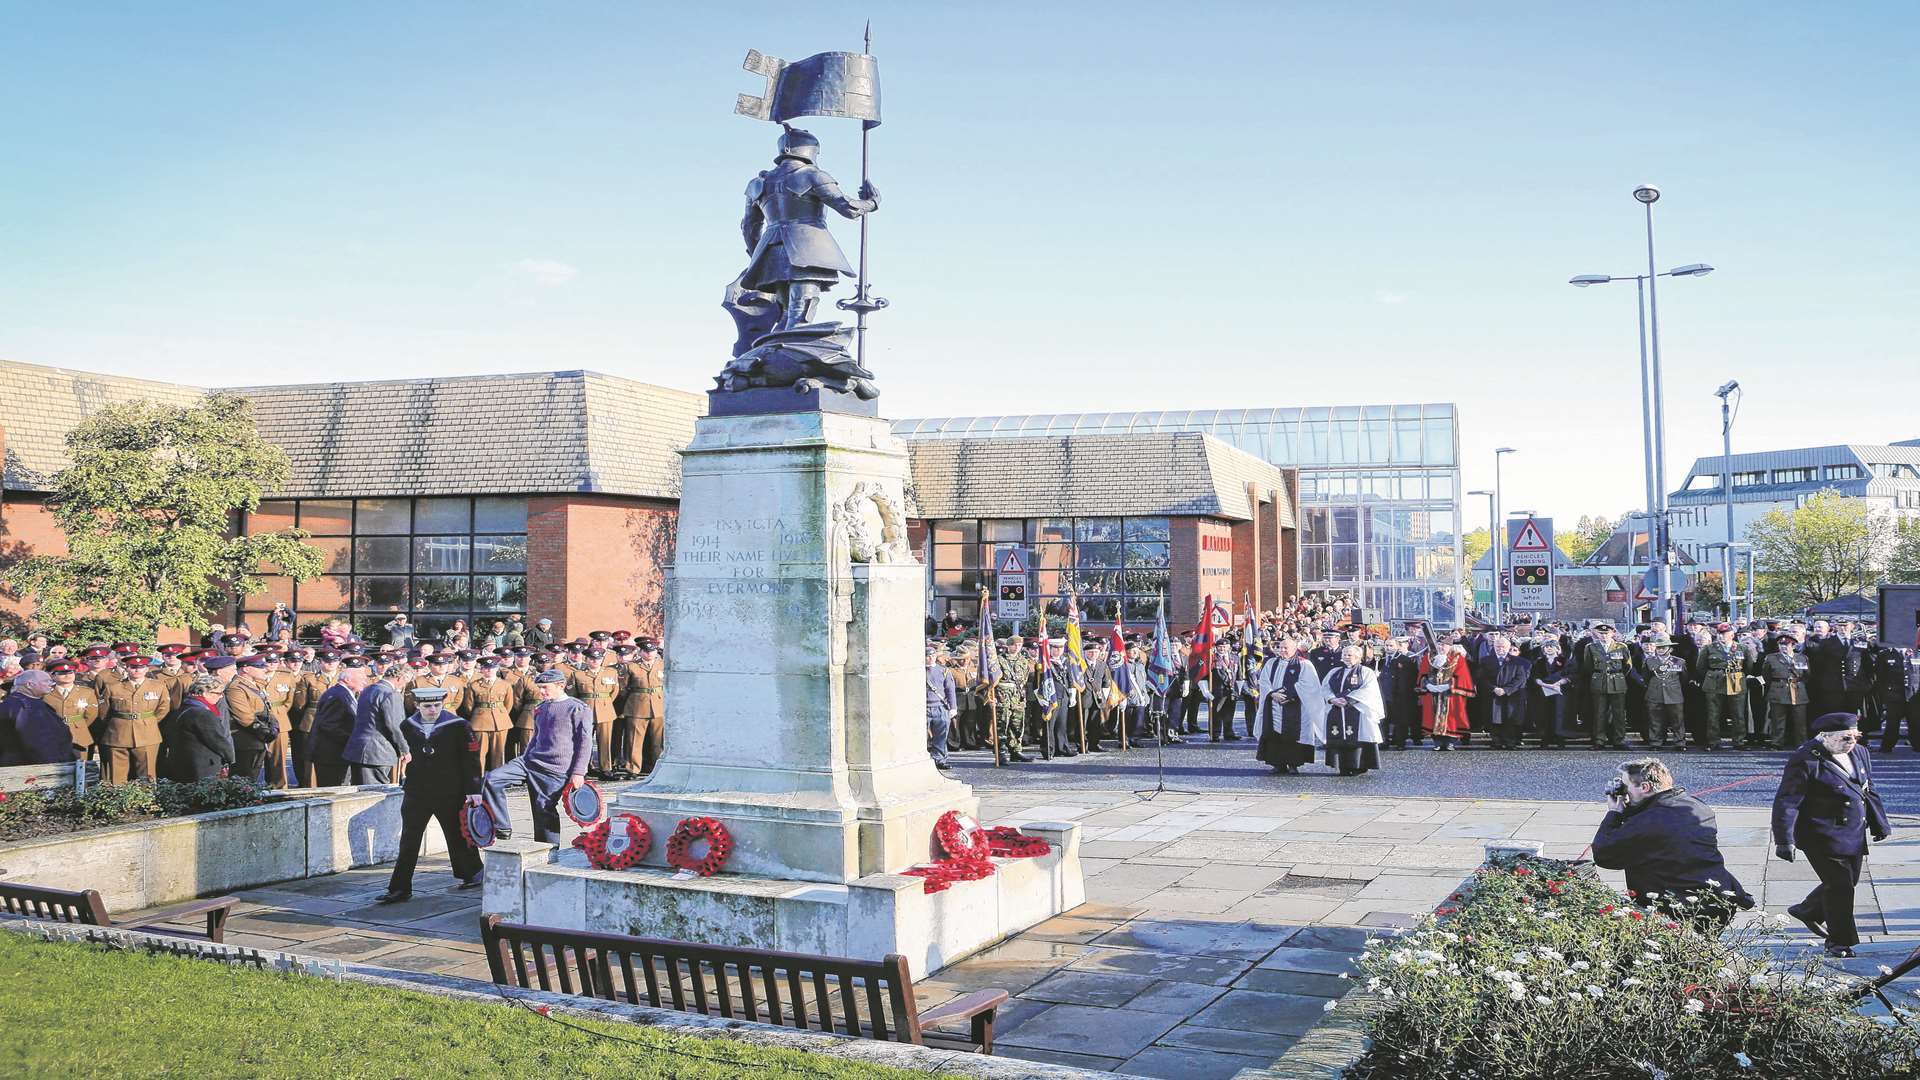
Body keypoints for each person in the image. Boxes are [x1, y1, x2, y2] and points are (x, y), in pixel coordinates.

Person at [1771, 713, 1892, 958]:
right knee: (1841, 887)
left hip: (1852, 833)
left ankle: (1808, 910)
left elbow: (1867, 790)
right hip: (1821, 834)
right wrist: (1784, 840)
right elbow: (1787, 801)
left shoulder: (1860, 753)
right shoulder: (1805, 760)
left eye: (1855, 736)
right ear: (1825, 737)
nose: (1852, 742)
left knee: (1849, 881)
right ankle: (1839, 942)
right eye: (1845, 738)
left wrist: (1880, 824)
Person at [1592, 757, 1754, 932]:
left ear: (1645, 787)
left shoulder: (1649, 821)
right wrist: (1631, 808)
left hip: (1678, 909)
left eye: (1626, 786)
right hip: (1718, 899)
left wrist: (1614, 813)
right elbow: (1655, 824)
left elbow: (1604, 855)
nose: (1623, 792)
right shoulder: (1696, 805)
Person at [376, 686, 483, 904]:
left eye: (437, 705)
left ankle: (472, 873)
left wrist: (474, 790)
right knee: (409, 840)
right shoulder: (408, 725)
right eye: (427, 706)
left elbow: (471, 760)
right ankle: (399, 888)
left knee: (457, 835)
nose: (433, 710)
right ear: (416, 705)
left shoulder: (459, 725)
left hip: (450, 792)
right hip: (417, 793)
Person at [476, 668, 592, 844]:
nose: (541, 691)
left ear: (560, 685)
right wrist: (525, 757)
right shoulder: (540, 708)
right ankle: (502, 826)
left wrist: (578, 772)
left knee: (543, 811)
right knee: (492, 779)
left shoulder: (577, 708)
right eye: (539, 687)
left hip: (555, 770)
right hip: (530, 762)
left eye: (545, 687)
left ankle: (548, 853)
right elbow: (535, 737)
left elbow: (585, 743)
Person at [1255, 637, 1325, 774]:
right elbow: (1264, 681)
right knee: (1274, 734)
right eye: (1280, 647)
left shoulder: (1304, 664)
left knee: (1293, 734)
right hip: (1274, 704)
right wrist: (1272, 694)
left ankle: (1294, 764)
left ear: (1294, 649)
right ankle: (1277, 763)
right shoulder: (1271, 663)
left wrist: (1289, 695)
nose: (1282, 650)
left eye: (1286, 648)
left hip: (1295, 706)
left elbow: (1310, 685)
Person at [98, 656, 169, 783]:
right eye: (133, 667)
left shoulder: (158, 686)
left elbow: (163, 709)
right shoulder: (113, 687)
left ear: (147, 669)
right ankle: (118, 800)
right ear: (127, 668)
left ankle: (147, 800)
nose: (137, 670)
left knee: (147, 774)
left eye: (141, 667)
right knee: (117, 775)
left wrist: (147, 722)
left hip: (147, 734)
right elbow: (104, 713)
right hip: (117, 734)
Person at [158, 674, 236, 781]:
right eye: (218, 693)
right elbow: (218, 741)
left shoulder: (183, 707)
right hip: (202, 768)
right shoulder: (203, 714)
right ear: (204, 693)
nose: (221, 696)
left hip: (181, 764)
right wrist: (230, 758)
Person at [344, 662, 412, 785]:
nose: (404, 686)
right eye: (405, 682)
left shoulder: (368, 689)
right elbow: (395, 727)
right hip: (377, 753)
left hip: (359, 749)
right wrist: (404, 750)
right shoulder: (391, 694)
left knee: (360, 793)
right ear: (400, 678)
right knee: (374, 795)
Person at [1321, 643, 1384, 776]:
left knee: (1358, 736)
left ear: (1358, 657)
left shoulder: (1366, 672)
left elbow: (1369, 690)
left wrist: (1349, 699)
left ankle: (1359, 766)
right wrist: (1332, 699)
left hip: (1358, 710)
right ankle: (1342, 766)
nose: (1346, 657)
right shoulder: (1334, 672)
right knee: (1338, 735)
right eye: (1344, 654)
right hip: (1337, 708)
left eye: (1350, 655)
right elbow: (1325, 687)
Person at [309, 658, 370, 786]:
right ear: (347, 679)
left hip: (336, 754)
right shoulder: (338, 696)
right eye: (361, 677)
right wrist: (353, 739)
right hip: (331, 756)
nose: (365, 681)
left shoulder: (344, 693)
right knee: (332, 792)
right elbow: (329, 726)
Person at [1696, 623, 1750, 751]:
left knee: (1738, 713)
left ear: (1732, 634)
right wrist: (1713, 675)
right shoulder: (1709, 648)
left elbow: (1748, 666)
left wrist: (1739, 676)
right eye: (1719, 634)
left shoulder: (1742, 648)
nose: (1721, 637)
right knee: (1713, 714)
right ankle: (1713, 741)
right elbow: (1701, 667)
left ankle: (1739, 741)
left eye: (1725, 634)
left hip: (1735, 681)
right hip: (1714, 681)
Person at [1579, 623, 1633, 750]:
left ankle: (1619, 740)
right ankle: (1599, 740)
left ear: (1613, 633)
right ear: (1597, 634)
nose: (1604, 636)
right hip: (1599, 681)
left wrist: (1617, 675)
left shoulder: (1621, 647)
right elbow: (1588, 665)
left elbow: (1628, 665)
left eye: (1607, 633)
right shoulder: (1591, 647)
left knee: (1618, 713)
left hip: (1617, 681)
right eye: (1601, 633)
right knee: (1599, 713)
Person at [0, 670, 71, 766]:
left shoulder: (33, 702)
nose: (52, 684)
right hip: (30, 769)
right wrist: (51, 766)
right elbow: (35, 741)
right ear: (29, 684)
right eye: (46, 681)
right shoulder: (21, 706)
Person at [617, 639, 666, 776]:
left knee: (658, 741)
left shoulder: (662, 665)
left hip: (658, 705)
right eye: (646, 651)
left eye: (652, 651)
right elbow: (623, 688)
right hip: (637, 706)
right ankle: (633, 768)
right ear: (640, 652)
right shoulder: (631, 666)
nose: (649, 654)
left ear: (656, 651)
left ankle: (656, 768)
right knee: (634, 740)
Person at [1419, 640, 1474, 751]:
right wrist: (1428, 685)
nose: (1441, 647)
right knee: (1433, 717)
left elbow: (1463, 676)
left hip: (1450, 695)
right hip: (1433, 694)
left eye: (1444, 645)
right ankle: (1437, 742)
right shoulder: (1429, 658)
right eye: (1439, 644)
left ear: (1450, 646)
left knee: (1451, 718)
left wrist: (1449, 686)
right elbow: (1422, 673)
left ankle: (1450, 742)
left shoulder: (1458, 658)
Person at [1639, 635, 1688, 751]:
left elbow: (1684, 679)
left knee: (1677, 720)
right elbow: (1645, 677)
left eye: (1663, 647)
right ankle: (1656, 742)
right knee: (1655, 720)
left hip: (1674, 694)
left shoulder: (1679, 662)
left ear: (1670, 649)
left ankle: (1680, 743)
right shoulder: (1649, 661)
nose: (1660, 650)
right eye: (1658, 647)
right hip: (1655, 693)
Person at [1762, 636, 1811, 750]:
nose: (1783, 647)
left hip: (1798, 690)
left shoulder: (1802, 658)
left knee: (1800, 719)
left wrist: (1798, 683)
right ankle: (1776, 742)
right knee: (1778, 719)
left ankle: (1801, 743)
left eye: (1786, 645)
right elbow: (1766, 675)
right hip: (1779, 690)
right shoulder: (1771, 658)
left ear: (1793, 646)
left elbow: (1807, 675)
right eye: (1781, 645)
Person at [1487, 635, 1532, 751]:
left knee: (1510, 719)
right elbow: (1482, 677)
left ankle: (1510, 742)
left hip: (1512, 695)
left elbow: (1520, 678)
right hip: (1493, 694)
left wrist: (1506, 690)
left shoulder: (1518, 661)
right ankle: (1496, 741)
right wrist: (1494, 688)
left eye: (1503, 646)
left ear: (1508, 648)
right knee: (1494, 718)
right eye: (1497, 646)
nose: (1500, 649)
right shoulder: (1486, 660)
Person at [1528, 641, 1573, 749]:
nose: (1549, 649)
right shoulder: (1539, 662)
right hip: (1543, 691)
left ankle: (1560, 739)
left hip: (1559, 691)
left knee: (1559, 714)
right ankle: (1545, 739)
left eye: (1551, 647)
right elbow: (1535, 676)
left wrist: (1558, 683)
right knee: (1544, 714)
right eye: (1546, 647)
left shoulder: (1565, 661)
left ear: (1557, 648)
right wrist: (1543, 684)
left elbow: (1571, 674)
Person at [925, 643, 956, 771]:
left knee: (941, 735)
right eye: (927, 656)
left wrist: (953, 707)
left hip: (939, 706)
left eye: (932, 655)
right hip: (924, 708)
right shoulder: (916, 671)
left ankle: (940, 759)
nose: (930, 658)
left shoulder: (943, 671)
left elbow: (950, 689)